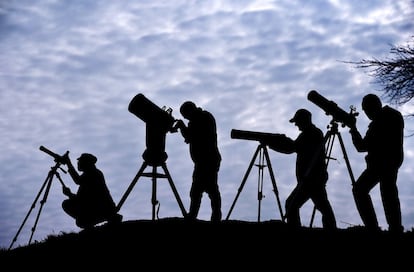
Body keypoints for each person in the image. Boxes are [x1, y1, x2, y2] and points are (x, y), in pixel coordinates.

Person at [266, 108, 337, 230]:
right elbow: (294, 146)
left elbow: (292, 147)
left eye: (297, 121)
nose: (296, 125)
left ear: (303, 120)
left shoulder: (311, 134)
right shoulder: (311, 133)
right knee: (322, 205)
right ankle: (331, 228)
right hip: (312, 178)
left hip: (311, 178)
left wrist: (272, 143)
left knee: (292, 204)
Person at [348, 93, 404, 233]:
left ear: (373, 107)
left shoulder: (381, 121)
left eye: (366, 110)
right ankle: (394, 228)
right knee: (389, 195)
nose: (366, 114)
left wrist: (353, 129)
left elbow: (362, 146)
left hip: (381, 163)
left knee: (360, 190)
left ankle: (373, 227)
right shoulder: (394, 115)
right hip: (391, 162)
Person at [174, 101, 222, 222]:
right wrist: (184, 127)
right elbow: (190, 137)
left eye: (185, 115)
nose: (185, 118)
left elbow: (190, 136)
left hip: (207, 160)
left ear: (189, 111)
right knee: (202, 190)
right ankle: (202, 216)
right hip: (204, 161)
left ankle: (208, 216)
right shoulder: (200, 118)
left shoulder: (202, 118)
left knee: (206, 189)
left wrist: (181, 126)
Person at [60, 152, 122, 229]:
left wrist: (68, 163)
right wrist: (69, 194)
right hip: (95, 207)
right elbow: (83, 199)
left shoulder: (94, 173)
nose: (78, 163)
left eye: (80, 161)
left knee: (77, 217)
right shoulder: (89, 175)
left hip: (101, 208)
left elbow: (78, 181)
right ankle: (110, 217)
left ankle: (111, 216)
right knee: (79, 220)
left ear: (86, 163)